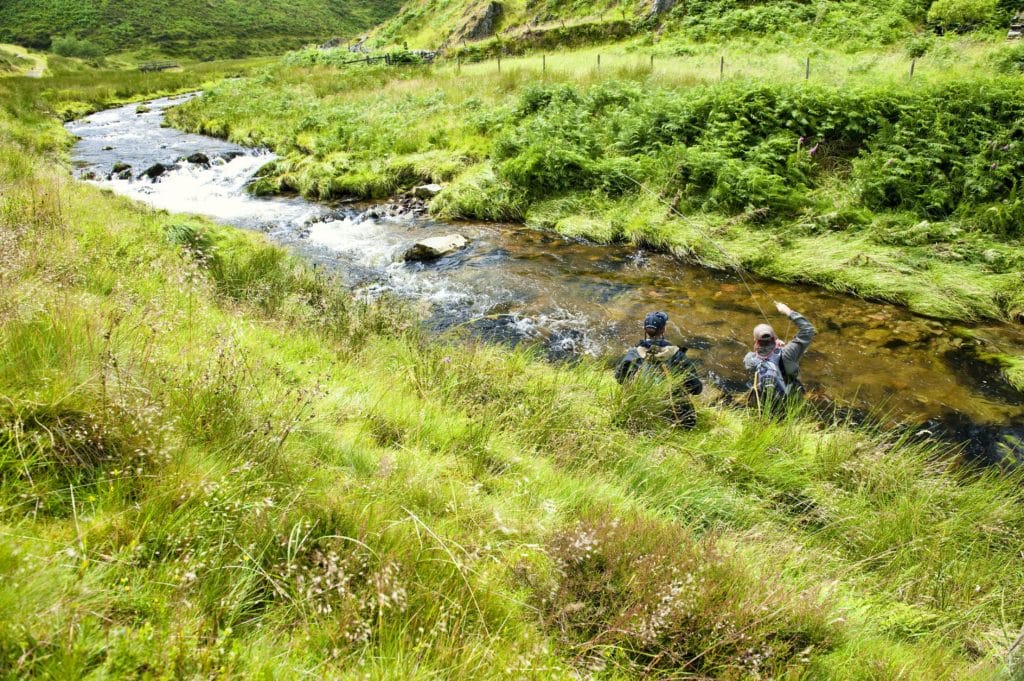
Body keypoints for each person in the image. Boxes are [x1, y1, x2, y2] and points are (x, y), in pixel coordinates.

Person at [615, 311, 703, 427]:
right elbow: (696, 389)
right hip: (677, 417)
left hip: (640, 411)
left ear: (645, 330)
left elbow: (620, 379)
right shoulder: (677, 355)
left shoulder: (633, 354)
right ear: (663, 330)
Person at [743, 301, 815, 409]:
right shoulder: (787, 352)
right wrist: (787, 311)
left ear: (755, 340)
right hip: (792, 395)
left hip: (768, 400)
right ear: (774, 338)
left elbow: (753, 363)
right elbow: (808, 330)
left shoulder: (750, 359)